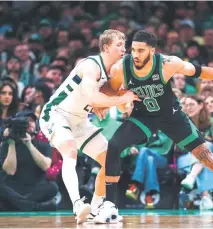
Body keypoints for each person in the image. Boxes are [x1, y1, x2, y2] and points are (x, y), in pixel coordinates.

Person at [94, 30, 213, 225]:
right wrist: (105, 102)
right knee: (114, 145)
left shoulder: (167, 63)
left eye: (141, 50)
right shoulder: (123, 67)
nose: (136, 55)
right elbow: (109, 89)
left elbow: (200, 71)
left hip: (172, 118)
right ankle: (110, 206)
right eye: (134, 50)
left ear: (152, 50)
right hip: (143, 117)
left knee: (211, 160)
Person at [39, 30, 139, 224]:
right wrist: (116, 99)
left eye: (124, 44)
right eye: (119, 44)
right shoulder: (90, 66)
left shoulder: (115, 72)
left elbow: (119, 104)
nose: (123, 48)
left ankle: (94, 209)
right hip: (57, 114)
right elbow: (93, 97)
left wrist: (124, 103)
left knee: (111, 160)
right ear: (106, 47)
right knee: (70, 150)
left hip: (80, 121)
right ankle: (77, 204)